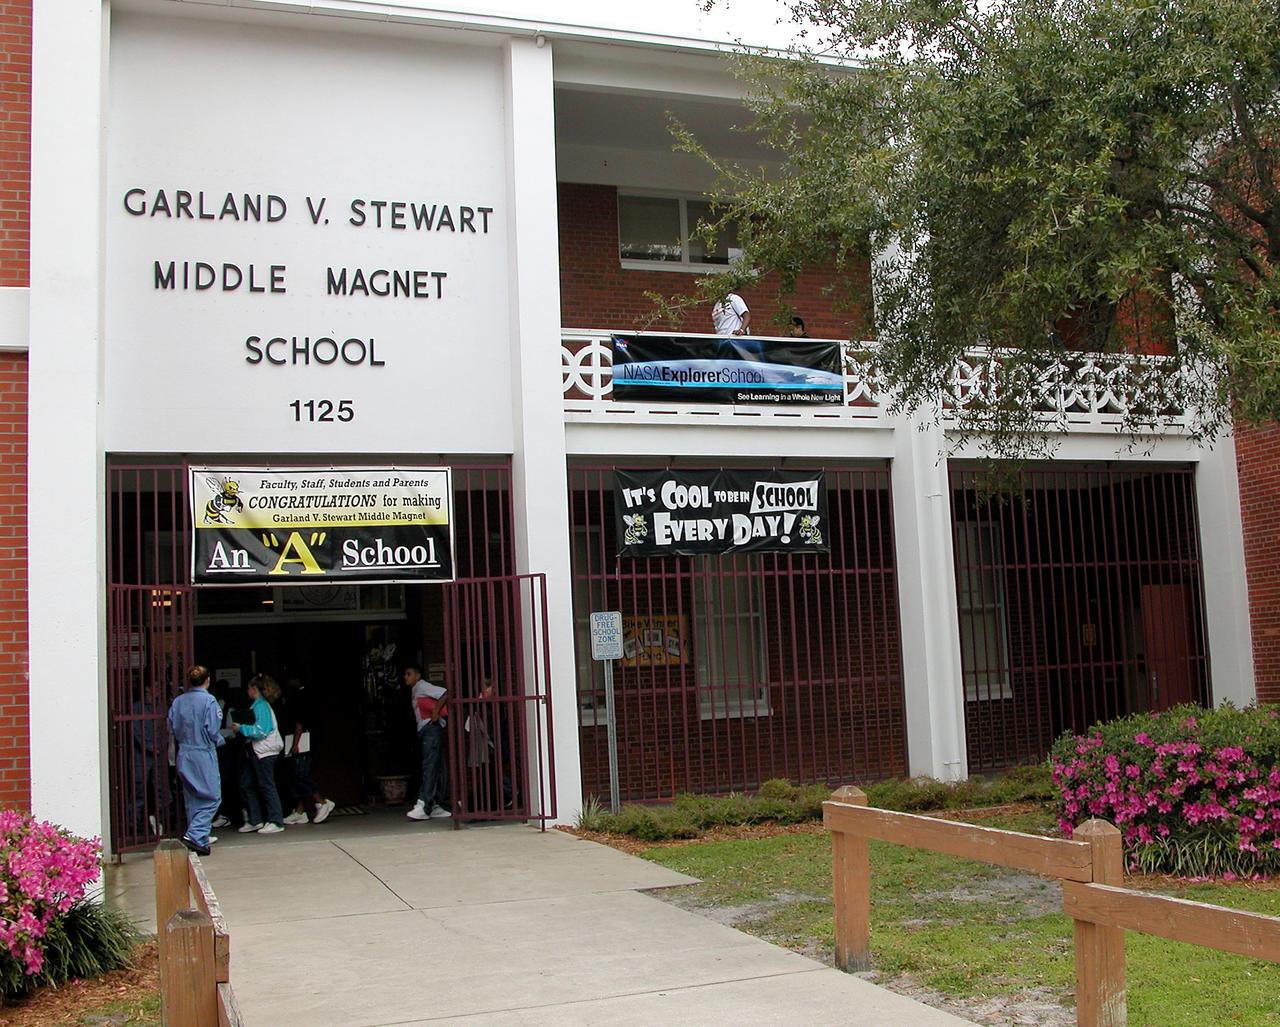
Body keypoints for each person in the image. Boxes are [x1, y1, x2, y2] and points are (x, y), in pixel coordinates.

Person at [166, 664, 224, 856]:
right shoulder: (209, 702)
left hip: (184, 752)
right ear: (207, 680)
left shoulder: (178, 702)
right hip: (202, 752)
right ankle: (194, 834)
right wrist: (220, 740)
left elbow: (172, 726)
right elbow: (212, 729)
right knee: (212, 797)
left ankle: (199, 841)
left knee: (192, 797)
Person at [233, 674, 286, 835]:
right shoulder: (259, 705)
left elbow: (261, 731)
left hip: (264, 751)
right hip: (258, 751)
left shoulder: (260, 706)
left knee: (266, 785)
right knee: (247, 784)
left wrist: (241, 728)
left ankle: (276, 820)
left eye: (249, 688)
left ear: (255, 689)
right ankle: (256, 820)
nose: (247, 691)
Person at [281, 676, 336, 826]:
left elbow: (300, 721)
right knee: (298, 774)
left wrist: (296, 743)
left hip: (302, 740)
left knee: (301, 774)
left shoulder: (301, 696)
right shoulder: (305, 695)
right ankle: (300, 811)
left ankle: (322, 802)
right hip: (304, 739)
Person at [404, 664, 451, 821]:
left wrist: (436, 712)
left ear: (417, 675)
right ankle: (436, 803)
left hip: (430, 728)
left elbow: (444, 693)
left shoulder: (422, 686)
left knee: (430, 765)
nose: (406, 677)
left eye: (409, 673)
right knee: (438, 766)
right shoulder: (416, 689)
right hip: (428, 730)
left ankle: (424, 804)